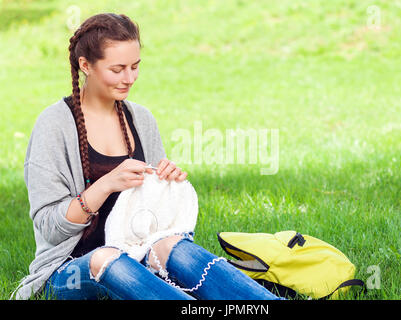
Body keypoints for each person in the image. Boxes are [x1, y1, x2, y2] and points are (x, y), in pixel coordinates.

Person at [12, 13, 281, 300]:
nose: (129, 78)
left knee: (173, 245)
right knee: (106, 257)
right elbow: (50, 228)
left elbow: (157, 218)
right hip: (71, 272)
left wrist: (167, 183)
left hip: (137, 254)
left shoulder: (141, 119)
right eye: (117, 70)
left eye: (135, 67)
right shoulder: (54, 126)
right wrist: (105, 185)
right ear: (85, 65)